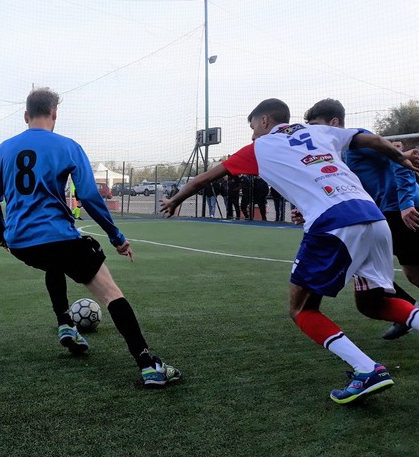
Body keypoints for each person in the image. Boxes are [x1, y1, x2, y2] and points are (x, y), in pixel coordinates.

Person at [160, 97, 419, 404]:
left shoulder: (260, 148)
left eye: (253, 126)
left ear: (265, 121)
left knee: (302, 309)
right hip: (373, 218)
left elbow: (205, 178)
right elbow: (374, 140)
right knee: (372, 305)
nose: (252, 134)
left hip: (333, 224)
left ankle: (366, 369)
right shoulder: (321, 132)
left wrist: (175, 200)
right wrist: (403, 160)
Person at [0, 87, 181, 389]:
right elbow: (88, 196)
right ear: (54, 114)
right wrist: (116, 236)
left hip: (21, 243)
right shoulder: (68, 146)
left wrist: (2, 236)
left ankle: (65, 324)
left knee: (54, 263)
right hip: (58, 237)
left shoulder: (4, 149)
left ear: (26, 116)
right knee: (111, 293)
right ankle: (148, 364)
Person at [304, 98, 419, 340]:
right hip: (377, 214)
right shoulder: (334, 151)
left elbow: (401, 162)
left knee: (411, 272)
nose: (313, 131)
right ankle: (407, 312)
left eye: (316, 124)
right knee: (368, 269)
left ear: (334, 122)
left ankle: (407, 313)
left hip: (399, 210)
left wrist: (407, 204)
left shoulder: (358, 141)